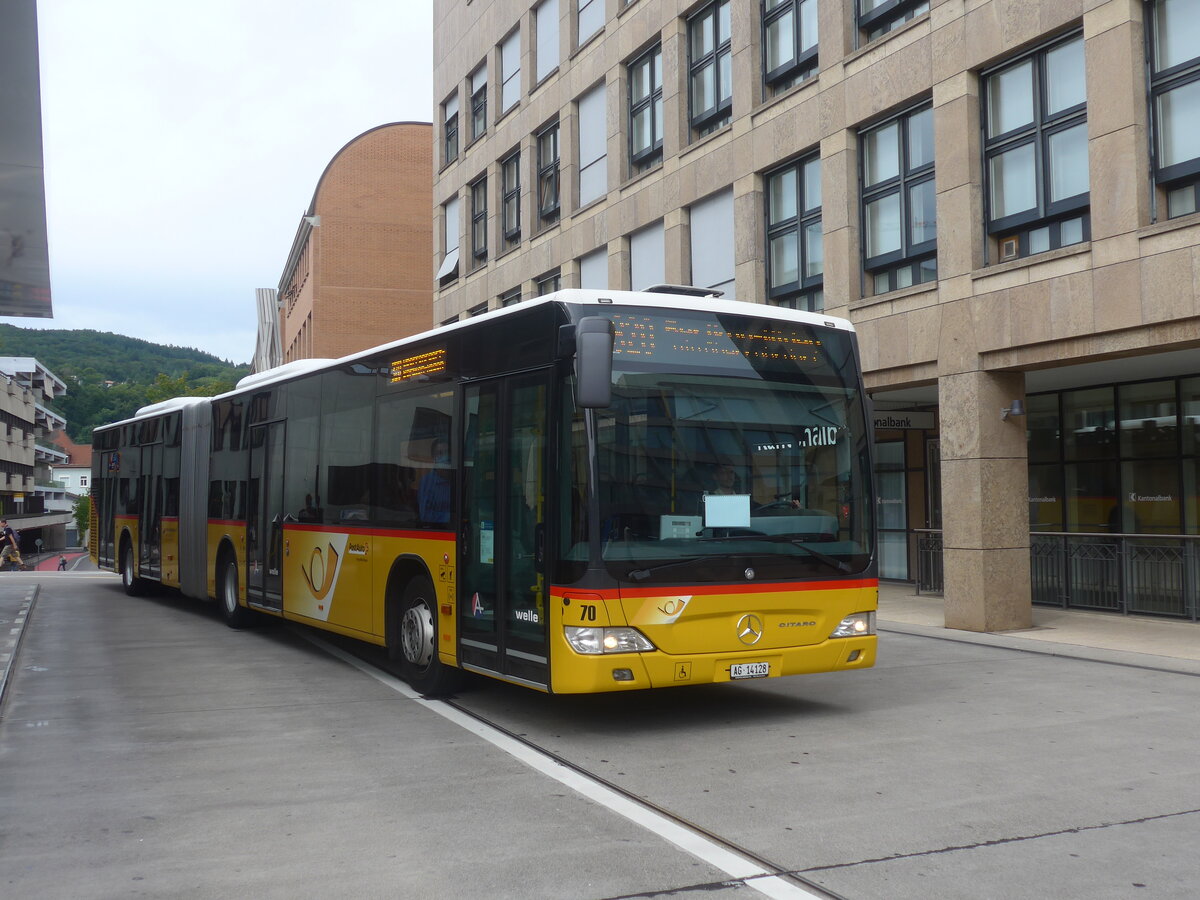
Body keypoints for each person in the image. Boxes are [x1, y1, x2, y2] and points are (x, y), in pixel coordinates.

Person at [419, 438, 452, 525]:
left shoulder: (458, 480)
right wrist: (450, 517)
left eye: (447, 452)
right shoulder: (427, 482)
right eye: (440, 453)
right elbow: (425, 516)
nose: (445, 457)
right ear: (434, 458)